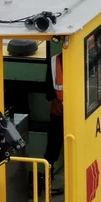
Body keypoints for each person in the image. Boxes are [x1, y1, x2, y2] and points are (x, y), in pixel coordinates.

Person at [43, 48, 65, 194]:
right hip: (58, 113)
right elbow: (48, 90)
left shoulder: (87, 54)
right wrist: (57, 103)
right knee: (52, 150)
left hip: (80, 113)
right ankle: (47, 186)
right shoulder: (53, 61)